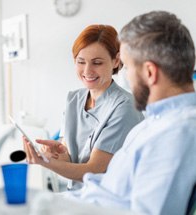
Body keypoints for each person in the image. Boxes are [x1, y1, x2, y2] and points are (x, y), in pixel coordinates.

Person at [33, 11, 196, 215]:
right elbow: (107, 188)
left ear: (149, 73)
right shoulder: (154, 123)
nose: (124, 76)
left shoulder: (177, 133)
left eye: (126, 67)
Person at [23, 24, 144, 191]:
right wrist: (57, 153)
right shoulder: (74, 99)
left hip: (109, 202)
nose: (87, 71)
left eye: (97, 63)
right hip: (78, 196)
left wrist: (47, 163)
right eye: (81, 62)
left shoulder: (124, 106)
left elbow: (93, 171)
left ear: (116, 60)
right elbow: (70, 159)